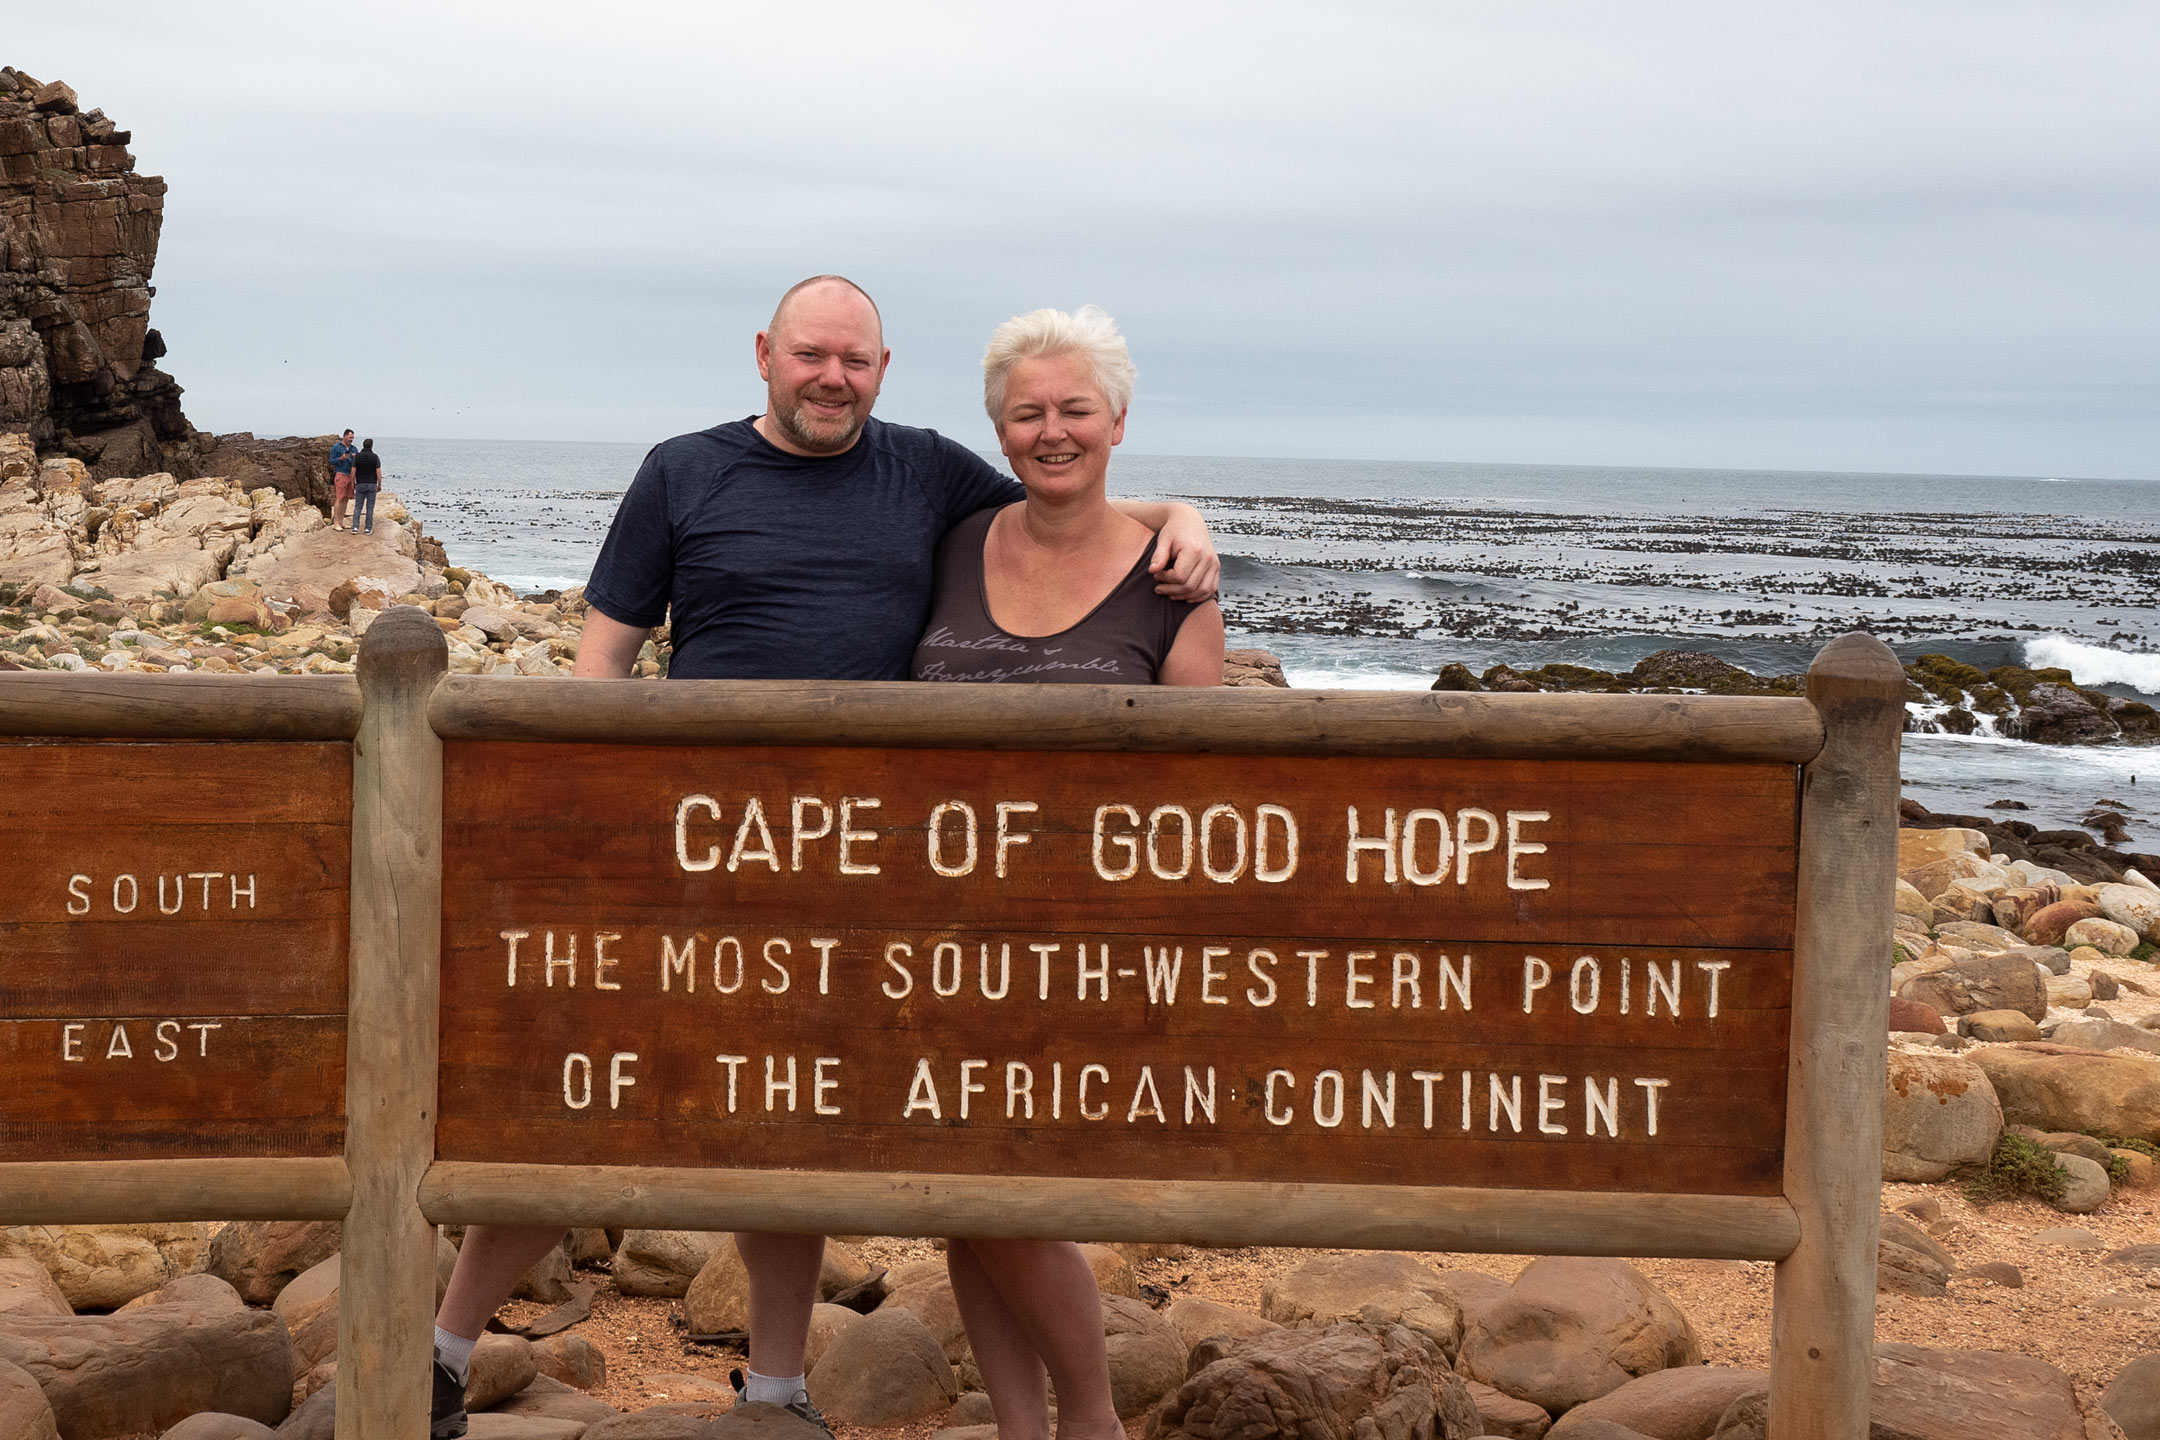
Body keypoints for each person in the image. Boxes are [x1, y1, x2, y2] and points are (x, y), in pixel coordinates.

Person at [423, 275, 1221, 1440]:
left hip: (865, 876)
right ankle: (443, 1354)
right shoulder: (682, 471)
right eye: (811, 354)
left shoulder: (927, 472)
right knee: (589, 1107)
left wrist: (1185, 517)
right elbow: (602, 666)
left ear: (883, 370)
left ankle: (778, 1390)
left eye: (854, 359)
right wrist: (600, 823)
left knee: (785, 1118)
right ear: (766, 354)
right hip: (694, 855)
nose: (831, 377)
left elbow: (1066, 492)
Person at [913, 305, 1221, 1440]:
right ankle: (1021, 1429)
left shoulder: (1175, 580)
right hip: (942, 931)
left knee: (1006, 1195)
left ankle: (1091, 1423)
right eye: (1027, 413)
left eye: (1076, 410)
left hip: (1091, 938)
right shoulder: (952, 542)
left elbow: (1206, 788)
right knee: (964, 1197)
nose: (1053, 431)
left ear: (1118, 422)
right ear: (999, 430)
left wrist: (1183, 517)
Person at [351, 439, 384, 534]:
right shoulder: (375, 457)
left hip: (360, 483)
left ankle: (355, 527)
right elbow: (378, 472)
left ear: (363, 445)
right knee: (370, 508)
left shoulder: (357, 456)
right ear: (371, 446)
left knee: (358, 506)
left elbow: (353, 470)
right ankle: (368, 528)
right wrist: (379, 484)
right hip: (372, 484)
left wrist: (352, 482)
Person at [328, 430, 357, 530]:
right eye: (350, 437)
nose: (351, 440)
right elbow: (331, 461)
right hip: (341, 474)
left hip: (351, 475)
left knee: (346, 498)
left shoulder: (354, 449)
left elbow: (357, 463)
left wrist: (355, 458)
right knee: (339, 498)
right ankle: (336, 522)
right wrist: (341, 458)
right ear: (344, 436)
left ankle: (341, 521)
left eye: (352, 438)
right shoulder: (336, 447)